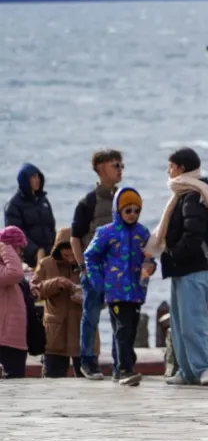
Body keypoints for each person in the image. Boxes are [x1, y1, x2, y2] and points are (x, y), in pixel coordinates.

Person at [146, 147, 208, 386]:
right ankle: (187, 371)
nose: (168, 171)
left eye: (171, 166)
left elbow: (193, 234)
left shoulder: (193, 196)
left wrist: (173, 254)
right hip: (181, 268)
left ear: (181, 168)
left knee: (193, 323)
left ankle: (205, 368)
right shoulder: (184, 193)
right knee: (179, 324)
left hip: (194, 268)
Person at [84, 188, 155, 387]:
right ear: (118, 210)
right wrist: (98, 282)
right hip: (115, 291)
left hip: (136, 291)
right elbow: (90, 256)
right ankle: (125, 370)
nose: (132, 214)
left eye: (136, 211)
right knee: (123, 329)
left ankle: (120, 369)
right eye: (128, 210)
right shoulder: (106, 232)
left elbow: (150, 258)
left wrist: (150, 267)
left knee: (130, 330)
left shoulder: (143, 232)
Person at [72, 149, 123, 380]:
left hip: (119, 271)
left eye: (121, 165)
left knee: (120, 319)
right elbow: (75, 237)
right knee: (91, 316)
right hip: (93, 270)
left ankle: (120, 365)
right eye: (116, 165)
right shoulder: (88, 202)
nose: (120, 170)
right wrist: (83, 267)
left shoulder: (124, 198)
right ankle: (88, 363)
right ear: (101, 168)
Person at [32, 228, 84, 378]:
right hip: (55, 334)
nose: (70, 259)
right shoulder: (46, 264)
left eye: (73, 254)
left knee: (88, 383)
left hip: (82, 333)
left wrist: (85, 298)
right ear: (58, 250)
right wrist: (55, 284)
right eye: (66, 255)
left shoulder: (88, 263)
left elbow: (103, 297)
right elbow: (34, 292)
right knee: (51, 380)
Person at [4, 163, 56, 269]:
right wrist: (35, 251)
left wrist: (56, 248)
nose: (37, 180)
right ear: (24, 180)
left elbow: (51, 226)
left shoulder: (43, 200)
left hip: (49, 254)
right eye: (33, 177)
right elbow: (16, 235)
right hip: (29, 258)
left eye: (38, 176)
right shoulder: (14, 205)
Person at [0, 227, 30, 379]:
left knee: (17, 383)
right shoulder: (7, 269)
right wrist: (5, 247)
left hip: (15, 339)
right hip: (4, 339)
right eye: (19, 248)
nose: (21, 252)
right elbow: (15, 273)